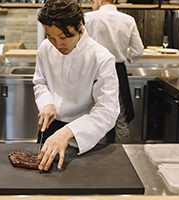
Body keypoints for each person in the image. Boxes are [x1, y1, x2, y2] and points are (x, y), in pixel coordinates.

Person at [33, 0, 120, 171]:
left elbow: (107, 110)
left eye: (64, 37)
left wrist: (69, 131)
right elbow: (40, 82)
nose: (58, 45)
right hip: (51, 129)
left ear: (79, 25)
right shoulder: (45, 48)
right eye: (51, 37)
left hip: (86, 133)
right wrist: (47, 103)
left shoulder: (101, 58)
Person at [84, 0, 144, 143]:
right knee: (121, 118)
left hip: (93, 70)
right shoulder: (128, 20)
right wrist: (125, 58)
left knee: (93, 116)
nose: (92, 4)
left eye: (93, 1)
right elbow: (138, 51)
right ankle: (123, 157)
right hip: (117, 70)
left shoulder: (87, 18)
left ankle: (94, 156)